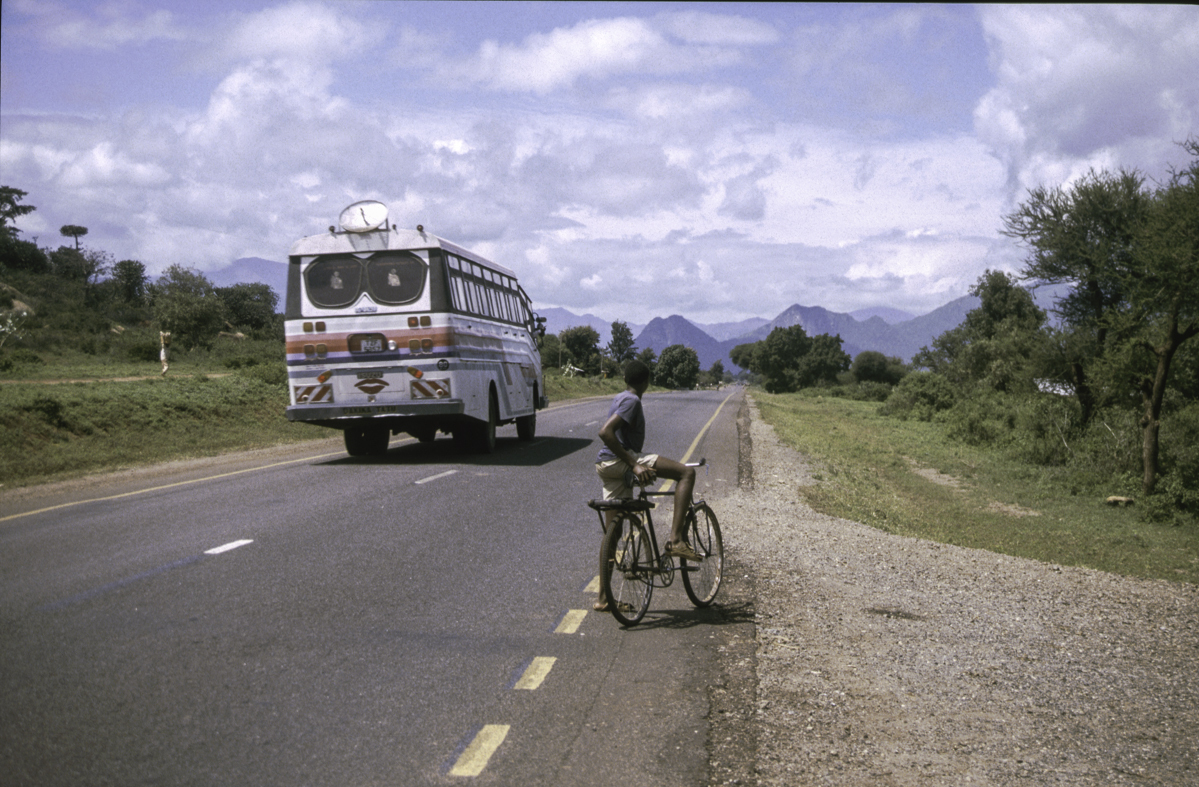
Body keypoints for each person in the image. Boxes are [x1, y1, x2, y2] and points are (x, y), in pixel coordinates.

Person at [594, 359, 701, 611]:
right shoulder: (633, 400)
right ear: (646, 382)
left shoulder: (620, 396)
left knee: (613, 534)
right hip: (620, 462)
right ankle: (675, 540)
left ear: (625, 380)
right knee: (686, 474)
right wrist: (634, 465)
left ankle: (603, 599)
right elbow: (605, 432)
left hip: (605, 466)